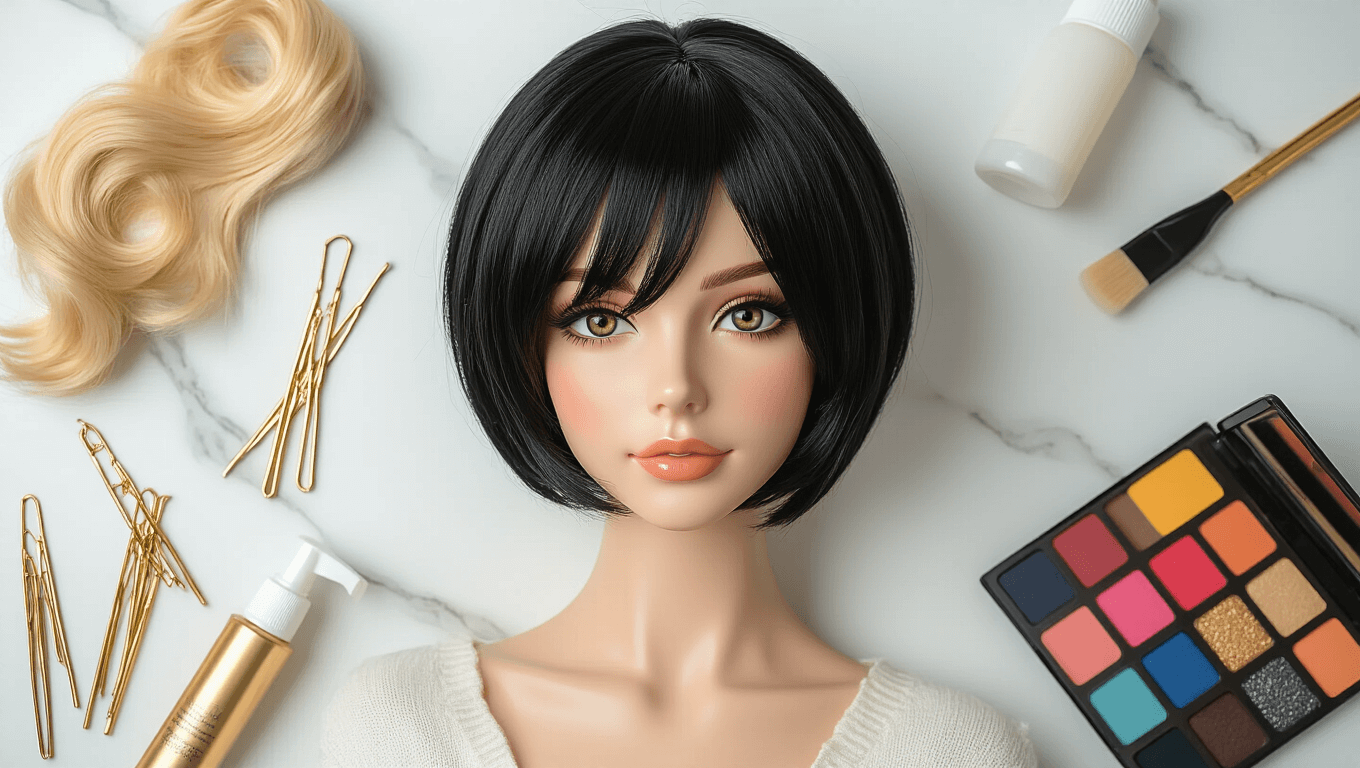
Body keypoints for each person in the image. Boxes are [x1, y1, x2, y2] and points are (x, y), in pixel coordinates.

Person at [323, 18, 1036, 768]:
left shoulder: (947, 753)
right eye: (600, 320)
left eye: (748, 315)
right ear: (520, 341)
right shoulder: (400, 729)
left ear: (836, 329)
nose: (676, 389)